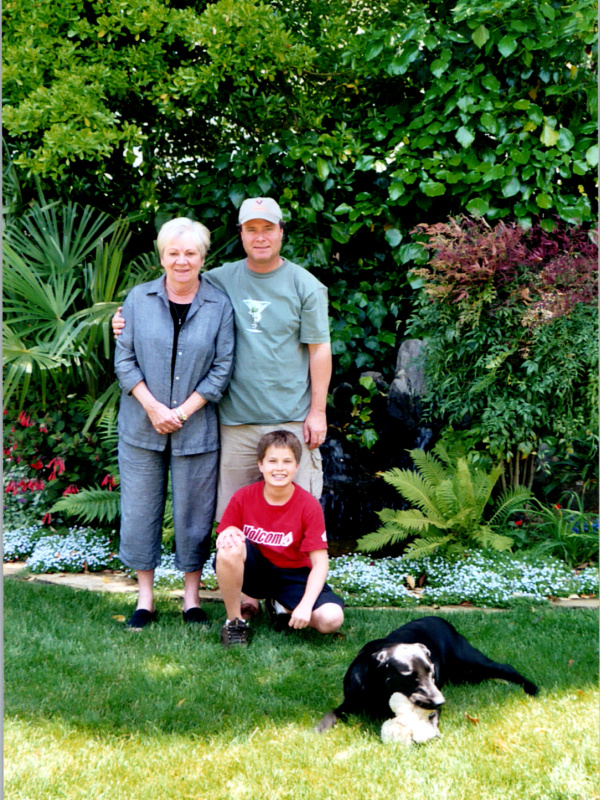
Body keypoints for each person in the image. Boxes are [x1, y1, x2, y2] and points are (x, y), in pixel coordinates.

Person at [113, 197, 332, 619]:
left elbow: (317, 349)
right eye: (251, 229)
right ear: (241, 235)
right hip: (233, 421)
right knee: (234, 521)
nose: (260, 236)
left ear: (281, 232)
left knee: (293, 513)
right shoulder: (219, 279)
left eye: (268, 228)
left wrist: (317, 411)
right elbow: (166, 297)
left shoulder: (303, 285)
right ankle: (245, 596)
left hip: (287, 417)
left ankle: (292, 598)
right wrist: (120, 322)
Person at [115, 217, 234, 630]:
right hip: (140, 426)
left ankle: (191, 600)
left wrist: (181, 412)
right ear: (161, 256)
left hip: (196, 429)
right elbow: (124, 359)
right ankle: (145, 600)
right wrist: (152, 407)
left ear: (203, 257)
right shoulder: (137, 299)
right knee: (140, 510)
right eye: (173, 253)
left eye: (190, 253)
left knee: (194, 515)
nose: (181, 261)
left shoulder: (219, 305)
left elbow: (222, 368)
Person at [214, 430, 344, 647]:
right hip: (257, 572)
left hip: (293, 575)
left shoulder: (308, 505)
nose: (279, 468)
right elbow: (226, 539)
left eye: (287, 461)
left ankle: (282, 608)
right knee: (229, 546)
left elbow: (320, 563)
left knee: (331, 620)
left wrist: (305, 605)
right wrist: (228, 533)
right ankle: (234, 623)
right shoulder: (243, 497)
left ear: (296, 466)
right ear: (260, 465)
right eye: (272, 461)